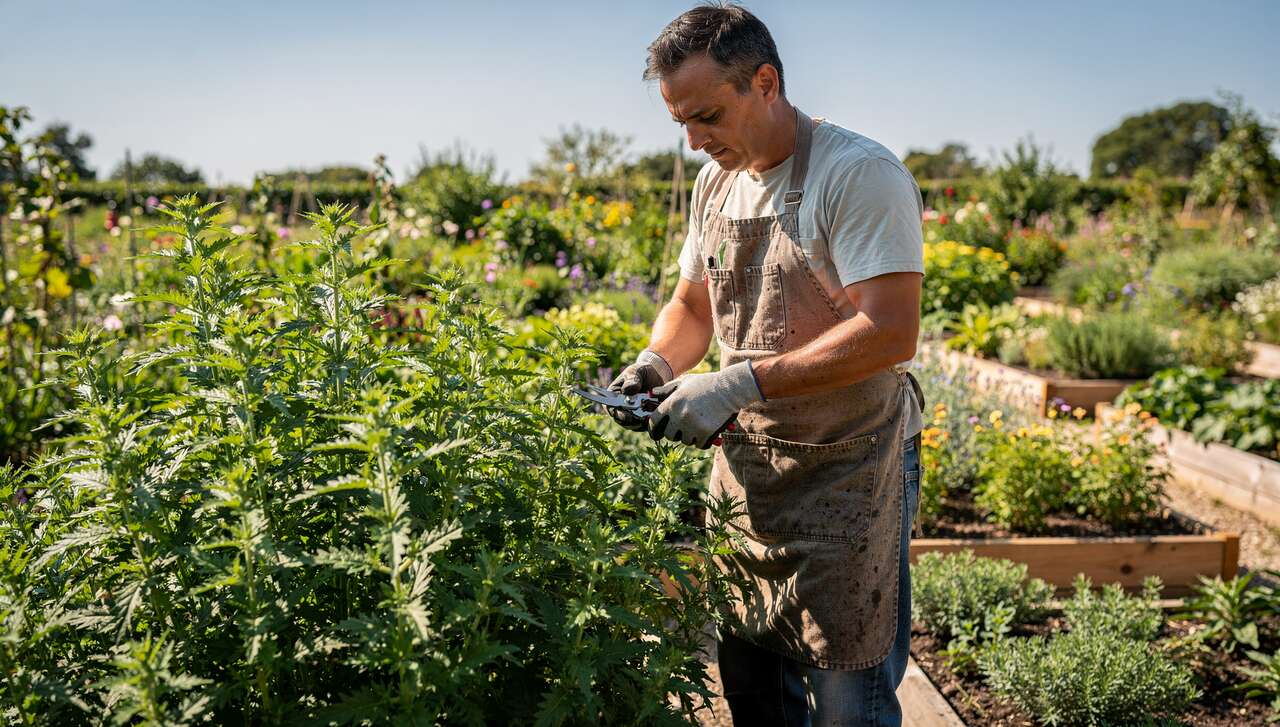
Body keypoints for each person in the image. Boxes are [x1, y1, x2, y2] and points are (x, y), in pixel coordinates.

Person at [607, 4, 926, 725]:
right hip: (751, 472)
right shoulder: (716, 185)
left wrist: (740, 381)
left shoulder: (858, 174)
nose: (693, 140)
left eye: (709, 115)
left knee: (849, 696)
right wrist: (654, 365)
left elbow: (889, 332)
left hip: (852, 468)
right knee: (753, 684)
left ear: (766, 81)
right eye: (680, 122)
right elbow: (692, 308)